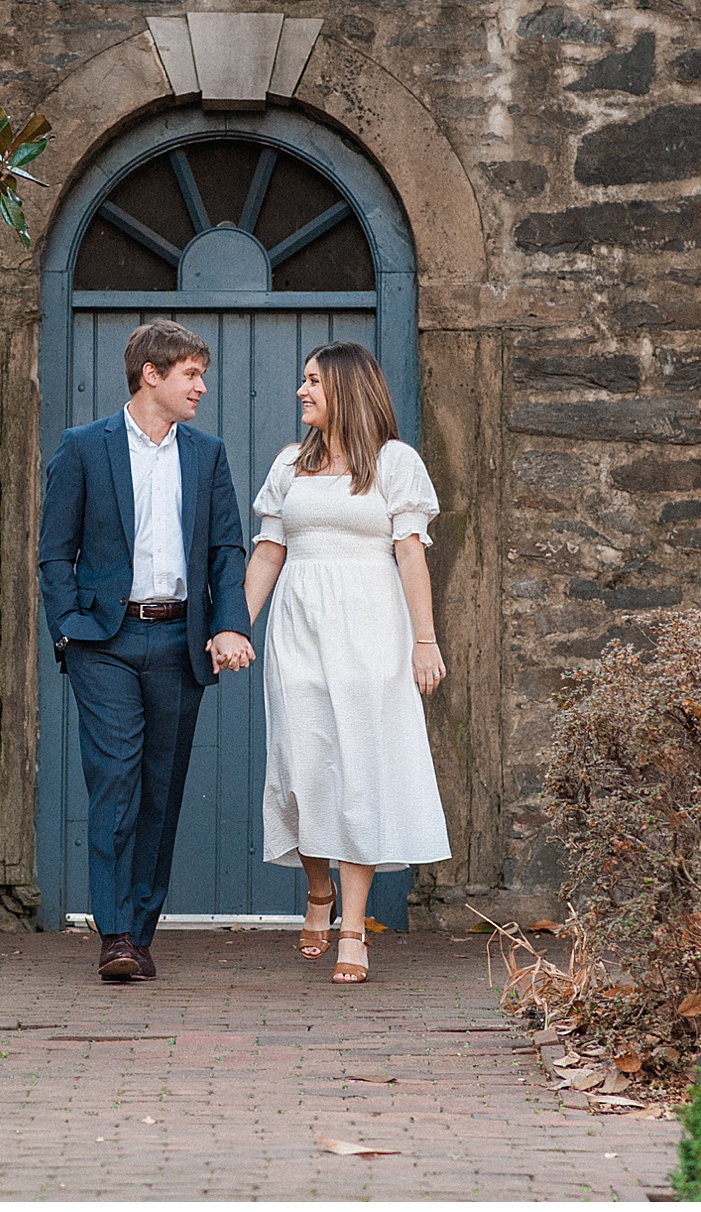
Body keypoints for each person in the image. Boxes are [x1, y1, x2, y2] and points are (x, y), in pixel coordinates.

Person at [38, 319, 256, 983]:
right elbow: (54, 552)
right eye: (191, 373)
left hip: (179, 640)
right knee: (116, 783)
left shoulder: (207, 454)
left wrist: (232, 624)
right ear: (150, 375)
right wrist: (71, 628)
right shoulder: (83, 448)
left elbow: (226, 548)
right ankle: (117, 935)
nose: (202, 386)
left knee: (160, 792)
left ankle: (142, 925)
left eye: (201, 373)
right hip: (105, 642)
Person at [242, 340, 451, 985]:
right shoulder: (287, 464)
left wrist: (426, 640)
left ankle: (354, 929)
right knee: (304, 764)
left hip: (371, 628)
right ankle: (318, 892)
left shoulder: (396, 462)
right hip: (298, 630)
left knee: (359, 766)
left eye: (312, 381)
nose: (301, 391)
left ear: (346, 389)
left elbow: (411, 555)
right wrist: (233, 627)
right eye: (301, 379)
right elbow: (269, 552)